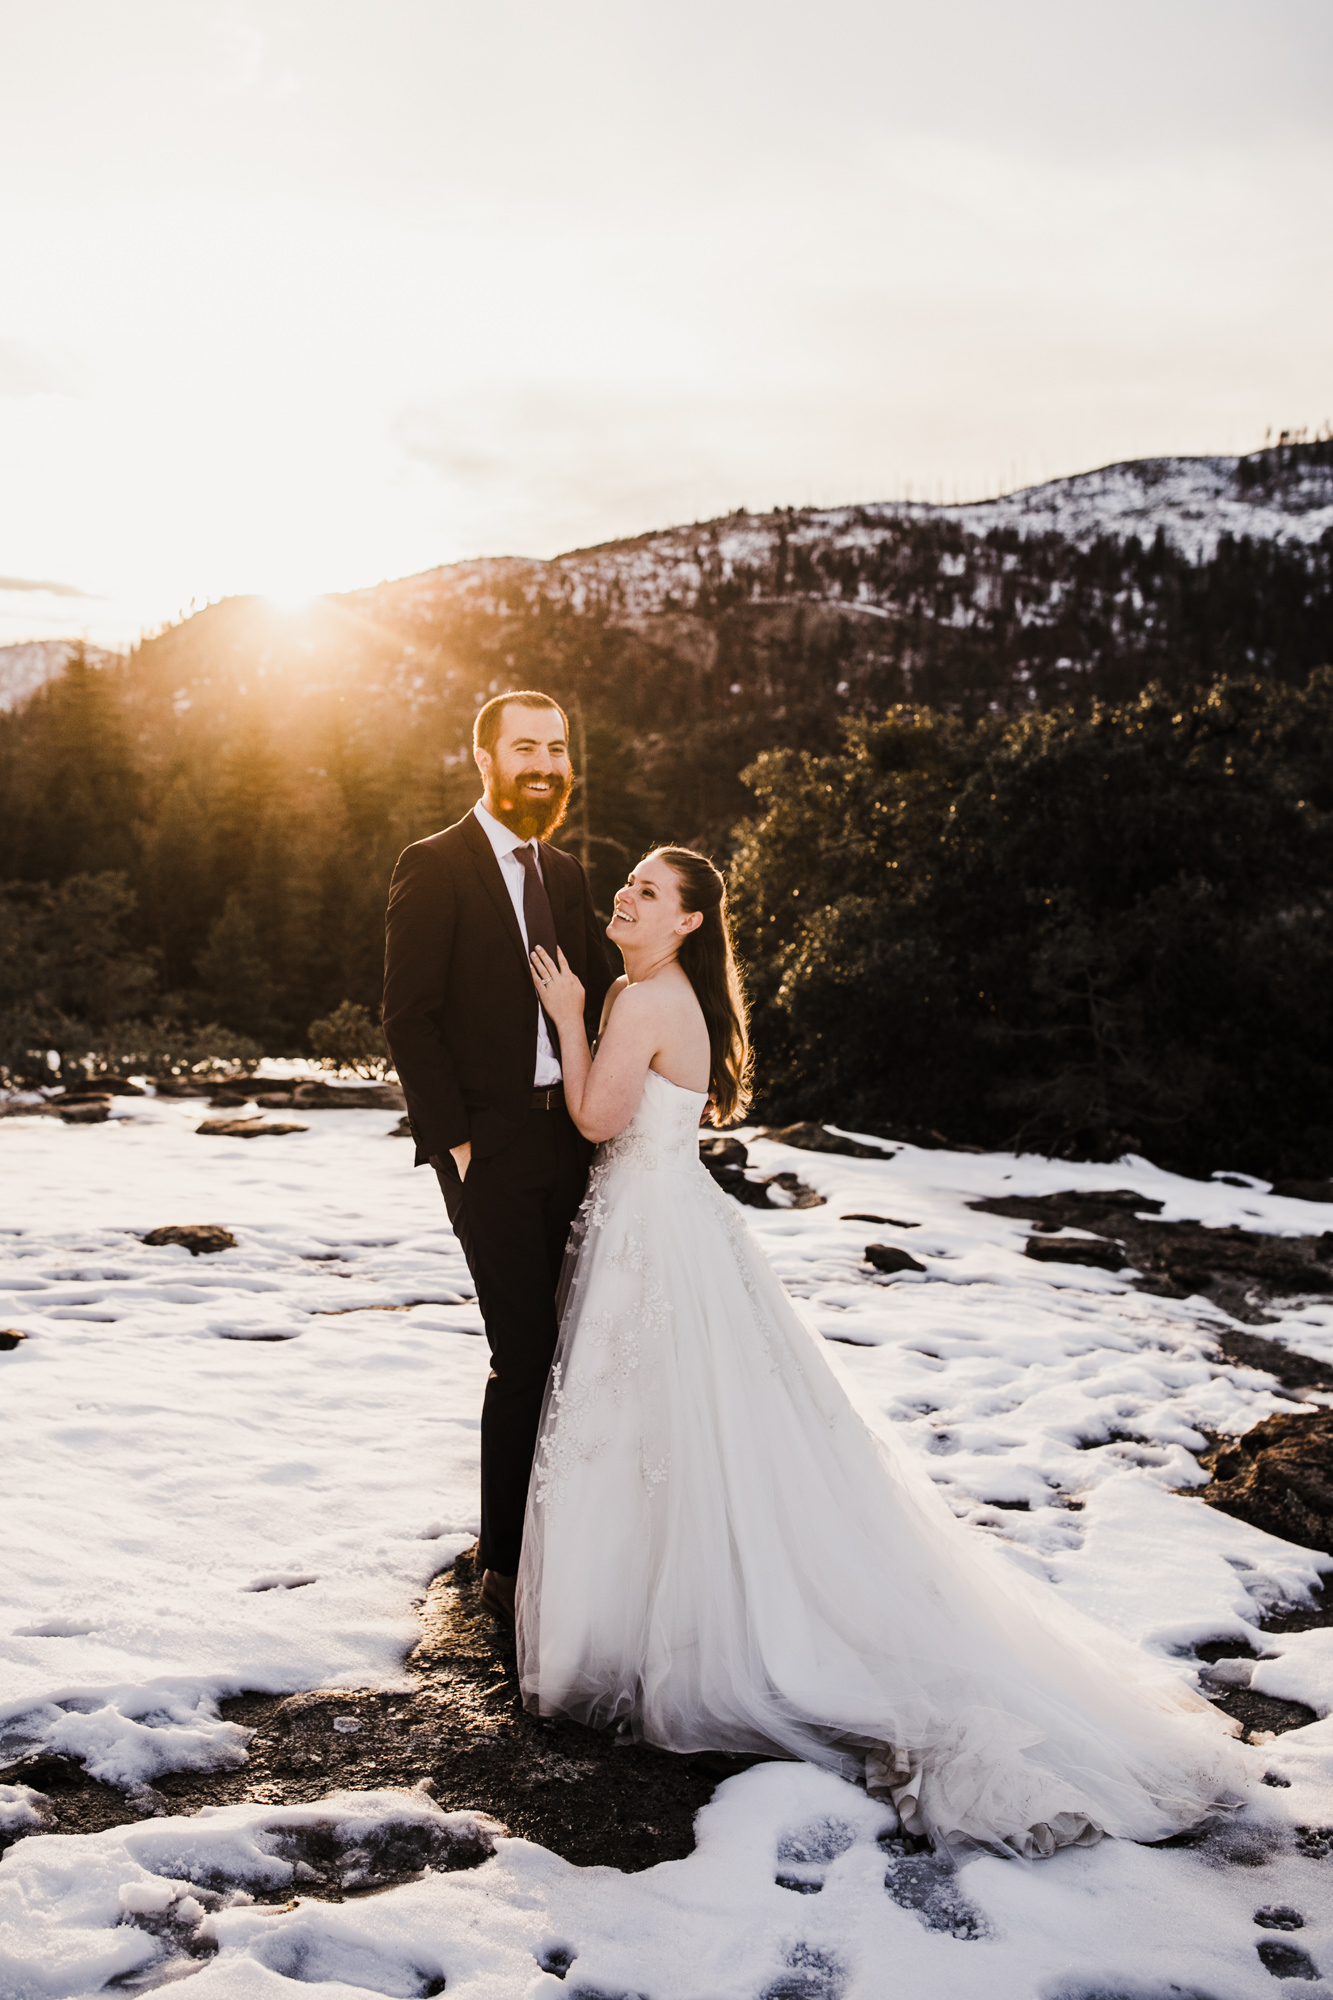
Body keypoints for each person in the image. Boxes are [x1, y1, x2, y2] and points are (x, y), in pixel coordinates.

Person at [515, 845, 1248, 1857]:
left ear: (686, 920)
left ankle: (657, 1634)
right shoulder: (663, 989)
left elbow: (599, 1116)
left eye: (649, 890)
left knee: (654, 1421)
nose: (626, 896)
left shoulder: (640, 999)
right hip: (672, 1220)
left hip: (652, 1231)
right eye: (629, 882)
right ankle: (663, 1618)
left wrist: (566, 1013)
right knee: (682, 1425)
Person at [382, 691, 611, 1626]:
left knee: (581, 1347)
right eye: (526, 748)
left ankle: (569, 1539)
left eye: (556, 748)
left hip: (574, 1135)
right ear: (484, 759)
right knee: (523, 1352)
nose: (545, 765)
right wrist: (462, 1145)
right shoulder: (433, 866)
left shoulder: (566, 871)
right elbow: (408, 1017)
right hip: (490, 1146)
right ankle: (503, 1570)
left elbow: (598, 994)